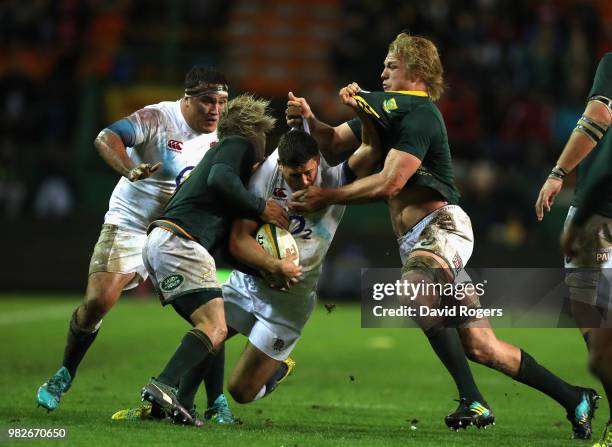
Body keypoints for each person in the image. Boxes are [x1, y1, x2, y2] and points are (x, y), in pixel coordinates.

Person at [287, 32, 598, 438]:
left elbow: (391, 183)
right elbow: (331, 145)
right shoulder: (386, 114)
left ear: (416, 72)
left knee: (415, 291)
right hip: (419, 244)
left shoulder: (419, 114)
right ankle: (576, 397)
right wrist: (309, 119)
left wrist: (325, 195)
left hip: (441, 229)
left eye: (391, 65)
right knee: (483, 347)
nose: (381, 71)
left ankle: (473, 400)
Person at [36, 66, 236, 422]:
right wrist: (128, 168)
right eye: (207, 101)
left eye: (221, 102)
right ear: (186, 99)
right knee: (98, 301)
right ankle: (64, 373)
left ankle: (216, 401)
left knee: (211, 311)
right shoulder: (158, 118)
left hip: (177, 231)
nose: (215, 110)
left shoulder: (222, 135)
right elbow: (106, 137)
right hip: (130, 223)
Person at [138, 93, 288, 425]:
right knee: (215, 326)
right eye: (264, 134)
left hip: (165, 242)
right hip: (180, 241)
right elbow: (221, 178)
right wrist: (260, 207)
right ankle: (162, 386)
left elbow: (229, 246)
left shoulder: (228, 177)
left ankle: (185, 404)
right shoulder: (238, 144)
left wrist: (267, 270)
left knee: (212, 328)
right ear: (253, 130)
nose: (264, 143)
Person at [536, 52, 612, 447]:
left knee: (593, 327)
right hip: (597, 208)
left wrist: (557, 172)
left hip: (601, 215)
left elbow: (599, 115)